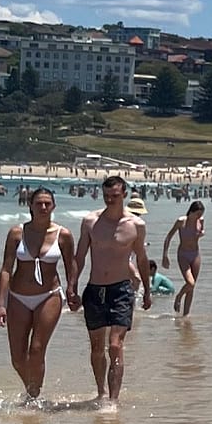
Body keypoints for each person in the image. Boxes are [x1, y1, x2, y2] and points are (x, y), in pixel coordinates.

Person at [73, 174, 154, 411]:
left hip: (121, 290)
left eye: (115, 196)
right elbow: (79, 255)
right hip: (95, 288)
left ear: (124, 195)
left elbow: (141, 258)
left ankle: (113, 400)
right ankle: (101, 392)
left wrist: (147, 291)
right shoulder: (90, 222)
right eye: (107, 196)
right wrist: (72, 285)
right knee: (97, 348)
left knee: (115, 345)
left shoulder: (135, 225)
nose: (110, 200)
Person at [0, 185, 74, 403]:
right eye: (38, 203)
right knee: (18, 358)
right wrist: (1, 303)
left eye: (47, 203)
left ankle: (33, 397)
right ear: (30, 205)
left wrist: (72, 289)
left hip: (49, 295)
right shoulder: (17, 233)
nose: (43, 207)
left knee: (37, 349)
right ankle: (32, 388)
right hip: (18, 297)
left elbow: (71, 266)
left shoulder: (63, 235)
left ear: (54, 206)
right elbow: (6, 269)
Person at [160, 201, 206, 315]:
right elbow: (168, 237)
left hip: (195, 254)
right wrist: (165, 255)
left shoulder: (201, 220)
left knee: (192, 287)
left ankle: (186, 316)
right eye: (197, 214)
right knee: (190, 283)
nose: (199, 217)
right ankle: (179, 297)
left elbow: (200, 232)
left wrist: (201, 234)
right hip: (183, 255)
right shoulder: (181, 221)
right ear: (191, 212)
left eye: (201, 214)